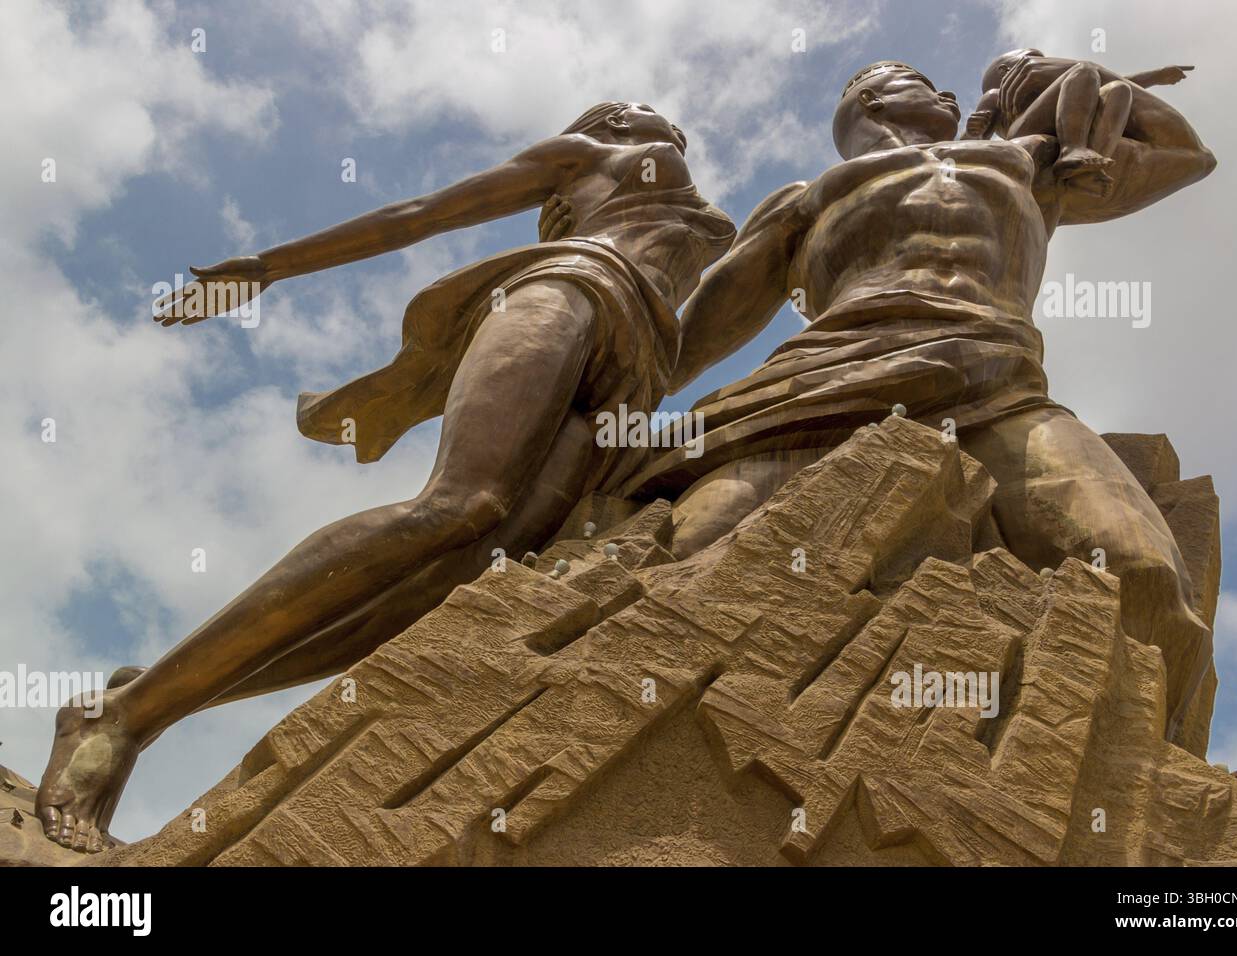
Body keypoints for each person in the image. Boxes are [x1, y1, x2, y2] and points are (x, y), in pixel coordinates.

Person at [36, 102, 735, 853]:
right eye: (639, 110)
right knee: (462, 506)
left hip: (635, 372)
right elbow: (424, 212)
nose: (661, 120)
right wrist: (269, 266)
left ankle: (144, 698)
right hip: (570, 292)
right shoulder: (589, 153)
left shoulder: (705, 220)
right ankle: (126, 717)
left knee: (461, 588)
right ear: (613, 121)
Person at [627, 60, 1216, 752]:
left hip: (999, 386)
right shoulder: (810, 196)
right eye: (914, 77)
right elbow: (681, 351)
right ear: (868, 100)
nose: (945, 88)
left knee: (1140, 575)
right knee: (686, 556)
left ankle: (1079, 805)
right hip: (825, 388)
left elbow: (1184, 154)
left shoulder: (1026, 157)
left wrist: (1057, 75)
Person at [963, 48, 1195, 195]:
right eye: (1034, 60)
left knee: (1118, 90)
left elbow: (1109, 81)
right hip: (1022, 130)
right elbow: (970, 143)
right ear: (1005, 71)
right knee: (1083, 70)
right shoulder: (996, 95)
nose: (1045, 65)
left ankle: (1088, 170)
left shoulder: (1062, 92)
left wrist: (1157, 76)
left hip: (1062, 123)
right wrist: (973, 131)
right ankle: (1071, 150)